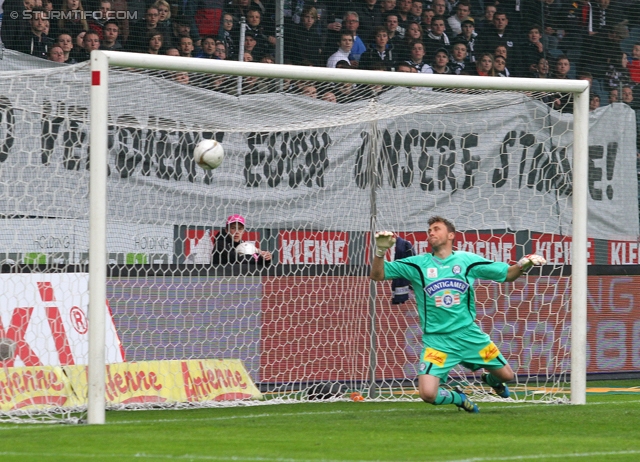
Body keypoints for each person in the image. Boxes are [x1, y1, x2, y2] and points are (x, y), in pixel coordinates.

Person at [370, 217, 546, 413]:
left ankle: (490, 379)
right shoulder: (418, 265)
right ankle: (457, 397)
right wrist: (380, 252)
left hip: (470, 337)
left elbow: (507, 274)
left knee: (507, 376)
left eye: (436, 229)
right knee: (427, 394)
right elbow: (377, 275)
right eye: (429, 230)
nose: (431, 233)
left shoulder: (466, 261)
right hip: (437, 342)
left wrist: (524, 265)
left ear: (451, 235)